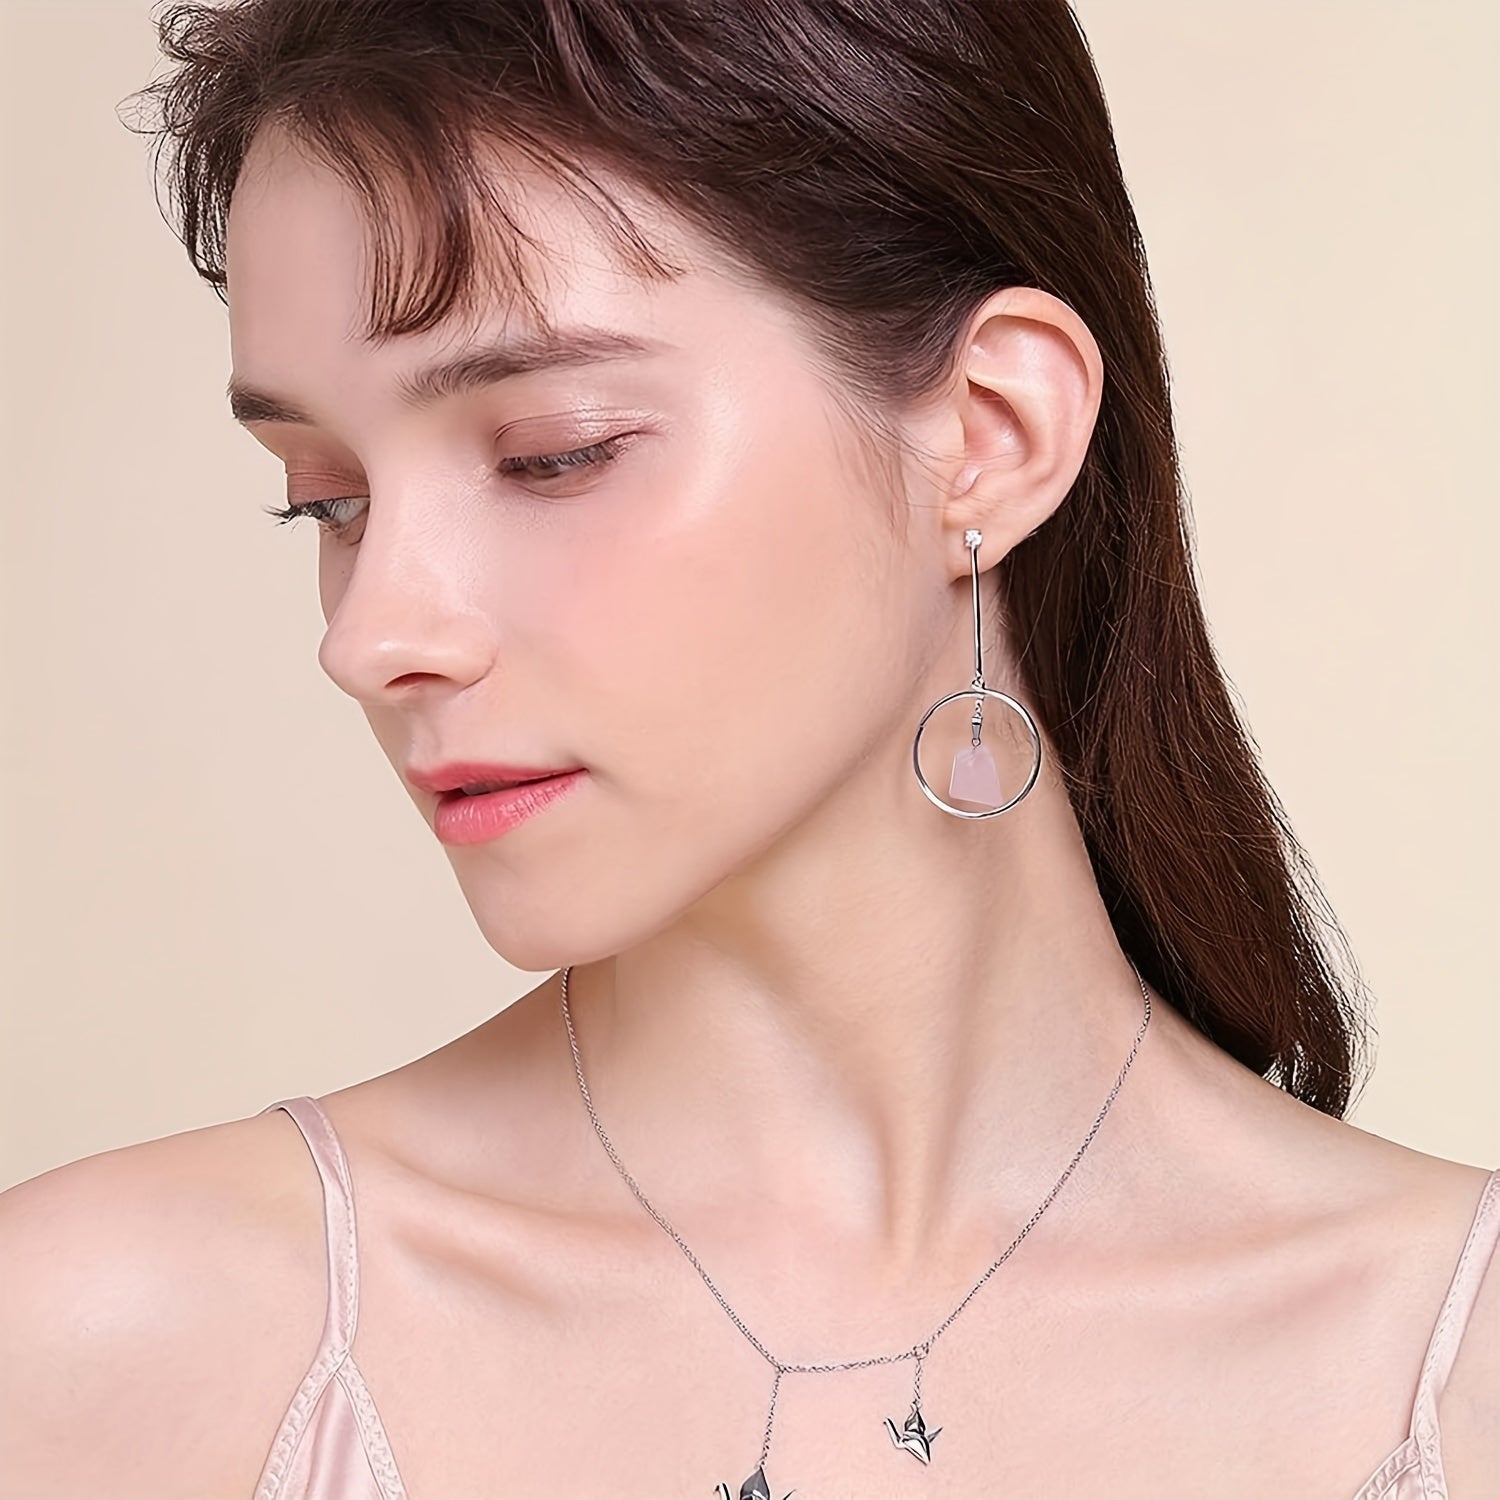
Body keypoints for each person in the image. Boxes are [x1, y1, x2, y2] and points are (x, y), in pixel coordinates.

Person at [2, 1, 1495, 1495]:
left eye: (552, 455)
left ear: (990, 433)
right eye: (326, 498)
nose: (372, 634)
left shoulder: (1451, 1366)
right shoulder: (112, 1348)